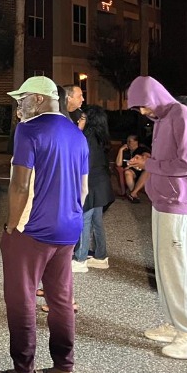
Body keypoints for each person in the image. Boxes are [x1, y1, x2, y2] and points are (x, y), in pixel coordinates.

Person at [0, 76, 87, 373]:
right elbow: (83, 189)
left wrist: (10, 226)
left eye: (23, 99)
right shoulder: (77, 134)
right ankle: (64, 369)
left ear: (41, 99)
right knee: (60, 301)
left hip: (31, 230)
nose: (18, 106)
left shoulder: (29, 130)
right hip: (68, 230)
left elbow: (19, 185)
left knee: (22, 300)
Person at [126, 76, 187, 360]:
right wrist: (149, 163)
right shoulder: (163, 118)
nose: (143, 113)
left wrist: (150, 163)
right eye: (138, 109)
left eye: (143, 106)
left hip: (179, 204)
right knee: (166, 269)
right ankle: (176, 324)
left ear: (156, 97)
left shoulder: (181, 116)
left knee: (179, 269)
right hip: (164, 202)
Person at [72, 105, 114, 272]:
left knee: (84, 221)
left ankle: (80, 259)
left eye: (82, 118)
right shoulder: (100, 137)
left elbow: (83, 166)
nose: (79, 120)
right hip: (102, 185)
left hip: (90, 185)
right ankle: (101, 256)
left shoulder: (85, 138)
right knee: (97, 222)